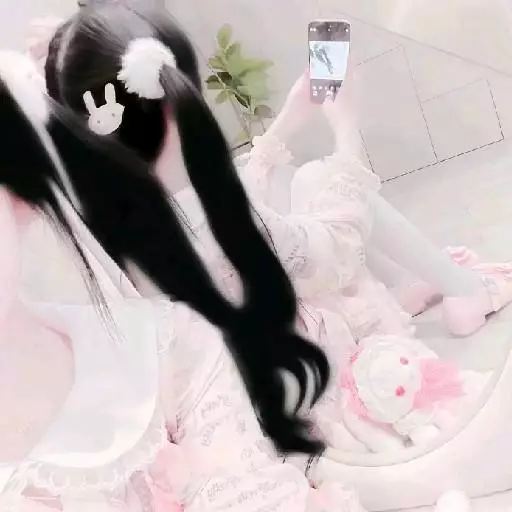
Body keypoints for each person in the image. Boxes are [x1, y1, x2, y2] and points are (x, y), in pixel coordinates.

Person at [0, 50, 372, 512]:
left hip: (245, 409)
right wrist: (346, 127)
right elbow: (336, 249)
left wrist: (285, 126)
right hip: (289, 390)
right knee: (319, 184)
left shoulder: (113, 247)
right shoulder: (203, 258)